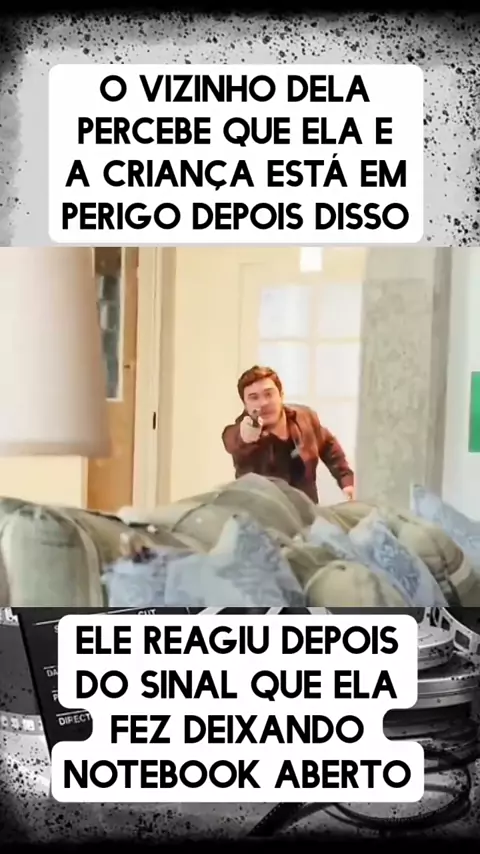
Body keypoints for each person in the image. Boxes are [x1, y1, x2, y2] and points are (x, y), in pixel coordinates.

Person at [222, 365, 355, 505]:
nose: (263, 403)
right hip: (260, 514)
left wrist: (347, 481)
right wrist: (245, 437)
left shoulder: (305, 418)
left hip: (307, 512)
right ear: (245, 404)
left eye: (269, 394)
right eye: (254, 398)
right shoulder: (240, 432)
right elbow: (232, 439)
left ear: (281, 395)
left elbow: (328, 445)